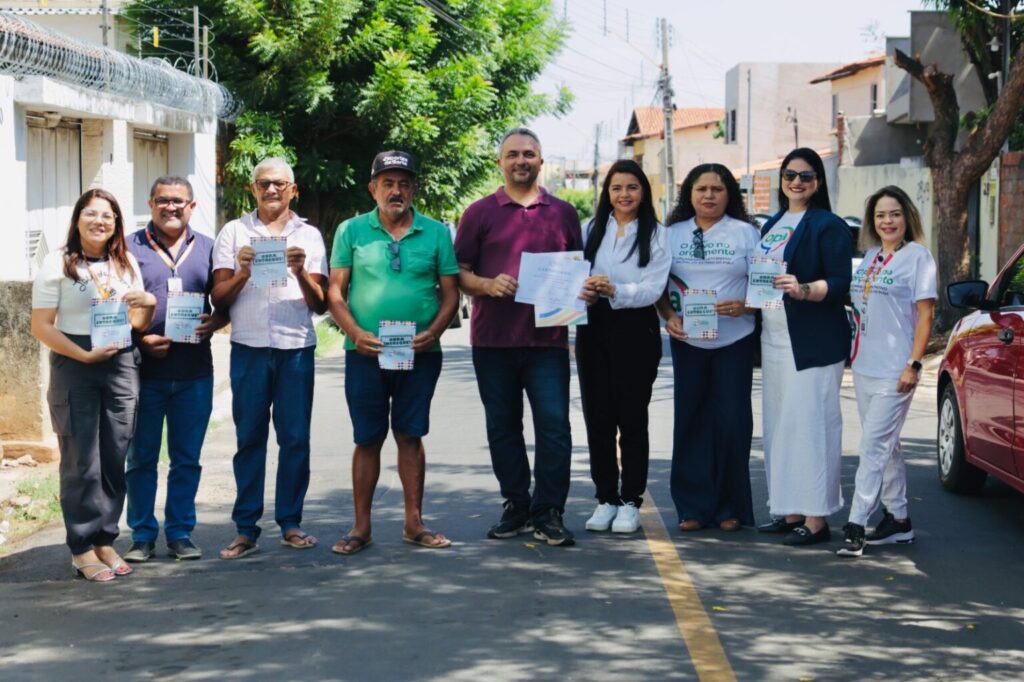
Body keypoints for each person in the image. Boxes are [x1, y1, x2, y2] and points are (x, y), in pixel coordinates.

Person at [454, 128, 594, 547]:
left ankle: (549, 511)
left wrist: (582, 289)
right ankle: (516, 504)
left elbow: (575, 270)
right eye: (513, 154)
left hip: (547, 341)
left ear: (541, 161)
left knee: (554, 428)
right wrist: (485, 285)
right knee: (503, 427)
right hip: (493, 340)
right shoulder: (479, 212)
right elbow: (458, 274)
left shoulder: (564, 213)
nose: (521, 160)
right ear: (500, 162)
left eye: (529, 154)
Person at [327, 151, 459, 555]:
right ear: (373, 189)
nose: (396, 190)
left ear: (414, 189)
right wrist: (354, 332)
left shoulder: (436, 232)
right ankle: (361, 527)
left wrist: (434, 331)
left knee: (410, 433)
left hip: (420, 353)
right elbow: (335, 292)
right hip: (364, 352)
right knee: (367, 437)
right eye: (388, 182)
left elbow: (451, 294)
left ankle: (413, 522)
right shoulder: (351, 231)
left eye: (404, 183)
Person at [31, 189, 157, 581]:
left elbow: (136, 325)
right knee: (80, 459)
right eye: (92, 214)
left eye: (108, 215)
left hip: (120, 361)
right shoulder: (59, 262)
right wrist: (82, 355)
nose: (100, 221)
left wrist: (148, 305)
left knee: (114, 454)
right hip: (75, 361)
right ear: (78, 218)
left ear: (117, 223)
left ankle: (105, 539)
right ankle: (82, 547)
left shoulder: (125, 262)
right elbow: (41, 326)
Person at [211, 157, 328, 559]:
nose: (271, 190)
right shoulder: (234, 232)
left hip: (295, 346)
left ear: (293, 189)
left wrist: (300, 273)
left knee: (295, 438)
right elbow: (218, 297)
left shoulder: (309, 236)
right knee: (249, 439)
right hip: (249, 347)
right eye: (264, 183)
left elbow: (321, 304)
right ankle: (246, 527)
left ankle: (291, 522)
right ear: (253, 188)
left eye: (279, 183)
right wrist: (242, 271)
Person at [124, 176, 226, 563]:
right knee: (141, 458)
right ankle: (142, 535)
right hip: (142, 372)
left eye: (179, 201)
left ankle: (181, 533)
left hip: (194, 373)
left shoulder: (210, 249)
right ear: (150, 204)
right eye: (163, 201)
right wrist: (140, 341)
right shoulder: (128, 248)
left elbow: (225, 302)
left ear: (192, 206)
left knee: (187, 459)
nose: (172, 207)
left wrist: (214, 324)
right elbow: (112, 306)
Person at [756, 148, 852, 546]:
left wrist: (803, 289)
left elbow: (840, 283)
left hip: (812, 343)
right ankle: (790, 510)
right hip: (774, 339)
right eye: (790, 174)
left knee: (811, 428)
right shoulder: (773, 223)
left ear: (818, 182)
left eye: (806, 175)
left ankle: (816, 519)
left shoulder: (828, 225)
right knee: (780, 428)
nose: (797, 181)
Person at [656, 163, 759, 533]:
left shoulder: (747, 234)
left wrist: (745, 306)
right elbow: (657, 285)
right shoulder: (670, 235)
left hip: (735, 339)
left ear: (729, 194)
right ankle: (693, 507)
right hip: (688, 341)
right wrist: (668, 316)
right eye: (702, 189)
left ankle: (731, 507)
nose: (709, 196)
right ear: (690, 194)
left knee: (732, 421)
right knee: (692, 420)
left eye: (717, 189)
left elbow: (766, 286)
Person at [837, 186, 935, 557]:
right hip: (864, 366)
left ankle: (857, 524)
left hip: (897, 369)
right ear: (872, 222)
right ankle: (899, 520)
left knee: (873, 447)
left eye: (894, 214)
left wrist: (913, 363)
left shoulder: (918, 258)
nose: (888, 221)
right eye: (880, 215)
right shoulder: (872, 256)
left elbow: (925, 316)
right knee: (887, 445)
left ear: (907, 217)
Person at [577, 159, 670, 534]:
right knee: (598, 417)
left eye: (631, 187)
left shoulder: (657, 234)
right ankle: (605, 497)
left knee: (632, 419)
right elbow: (573, 274)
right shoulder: (591, 228)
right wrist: (584, 291)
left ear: (643, 191)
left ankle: (631, 500)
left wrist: (616, 289)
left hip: (636, 329)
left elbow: (653, 288)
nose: (624, 194)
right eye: (616, 188)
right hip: (594, 326)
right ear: (607, 193)